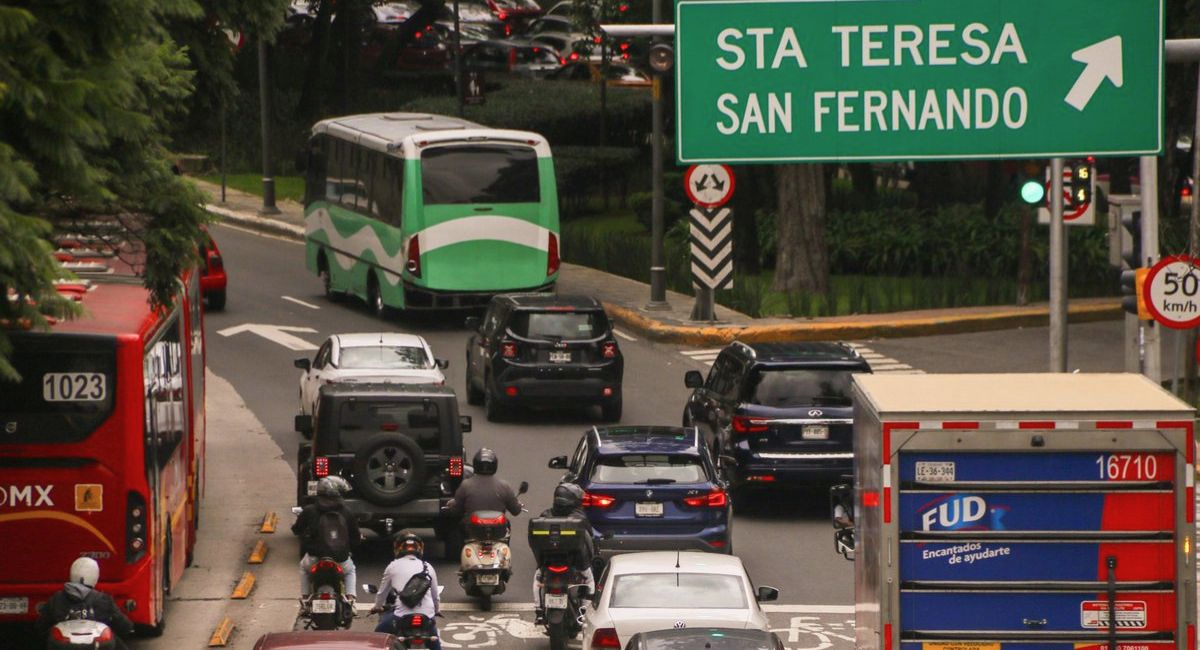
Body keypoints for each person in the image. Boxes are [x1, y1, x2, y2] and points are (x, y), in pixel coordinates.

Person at [530, 482, 596, 625]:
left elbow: (534, 541)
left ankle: (539, 611)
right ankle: (584, 613)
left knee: (538, 578)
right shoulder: (580, 518)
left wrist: (541, 561)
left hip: (548, 561)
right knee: (589, 580)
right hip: (576, 562)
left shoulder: (545, 515)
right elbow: (589, 538)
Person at [36, 557, 135, 649]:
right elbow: (124, 626)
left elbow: (41, 627)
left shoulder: (57, 599)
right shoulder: (103, 599)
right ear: (95, 576)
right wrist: (129, 629)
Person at [292, 476, 361, 602]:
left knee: (304, 568)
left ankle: (305, 597)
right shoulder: (347, 512)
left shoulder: (309, 510)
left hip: (315, 557)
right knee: (350, 571)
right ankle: (351, 599)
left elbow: (296, 529)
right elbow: (355, 537)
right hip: (340, 559)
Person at [370, 531, 441, 648]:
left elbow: (382, 593)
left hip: (401, 616)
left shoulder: (392, 566)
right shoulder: (428, 567)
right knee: (435, 641)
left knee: (378, 636)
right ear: (420, 549)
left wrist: (377, 607)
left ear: (398, 549)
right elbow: (435, 596)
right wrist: (437, 610)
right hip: (426, 615)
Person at [444, 448, 522, 519]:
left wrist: (452, 505)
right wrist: (518, 504)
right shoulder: (504, 486)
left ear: (475, 464)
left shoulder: (466, 485)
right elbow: (516, 511)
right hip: (497, 532)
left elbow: (456, 511)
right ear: (495, 465)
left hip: (472, 530)